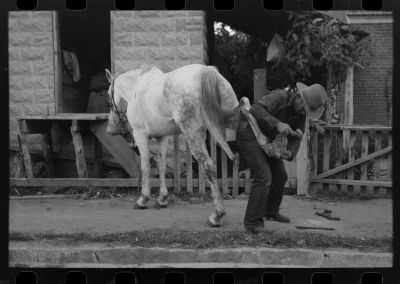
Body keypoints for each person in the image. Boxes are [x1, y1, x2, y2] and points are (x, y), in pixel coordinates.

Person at [236, 82, 328, 234]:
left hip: (265, 139)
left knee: (280, 176)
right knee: (264, 177)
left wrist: (289, 153)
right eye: (303, 108)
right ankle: (253, 222)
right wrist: (277, 123)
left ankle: (270, 212)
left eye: (306, 111)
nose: (303, 113)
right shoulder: (280, 97)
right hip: (248, 133)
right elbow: (255, 109)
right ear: (299, 98)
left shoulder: (300, 114)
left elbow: (297, 138)